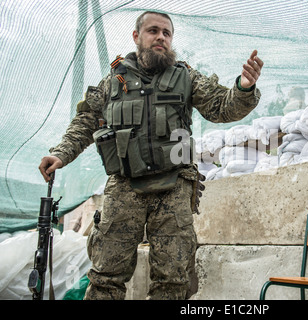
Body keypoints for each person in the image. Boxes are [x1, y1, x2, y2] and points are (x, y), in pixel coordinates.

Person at [38, 11, 263, 300]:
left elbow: (222, 107)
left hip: (173, 188)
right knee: (106, 276)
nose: (161, 37)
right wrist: (60, 155)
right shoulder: (113, 81)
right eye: (153, 31)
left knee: (173, 279)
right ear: (136, 36)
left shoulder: (186, 76)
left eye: (167, 33)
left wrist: (244, 87)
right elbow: (85, 123)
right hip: (124, 187)